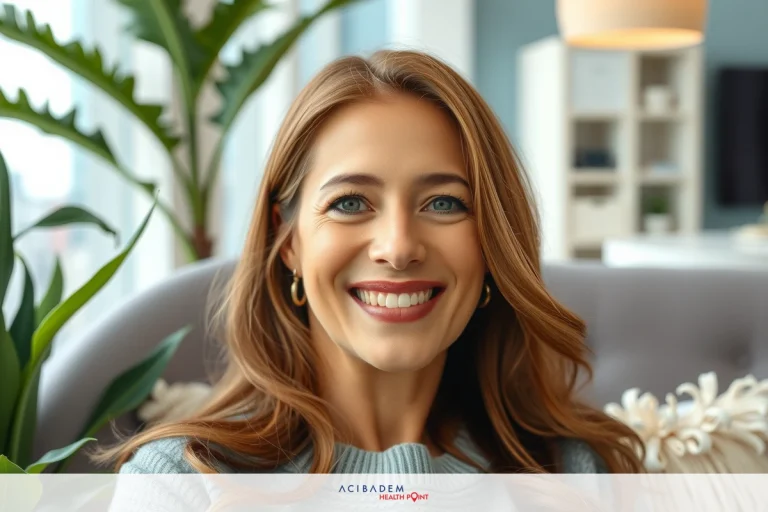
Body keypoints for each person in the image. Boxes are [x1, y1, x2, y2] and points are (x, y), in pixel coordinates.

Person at [99, 50, 644, 488]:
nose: (399, 246)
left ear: (493, 247)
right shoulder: (182, 482)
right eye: (351, 202)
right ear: (287, 240)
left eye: (446, 203)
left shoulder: (574, 473)